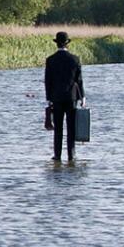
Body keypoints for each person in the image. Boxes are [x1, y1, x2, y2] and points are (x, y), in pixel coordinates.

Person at [43, 31, 84, 162]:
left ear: (57, 44)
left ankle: (57, 155)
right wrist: (82, 97)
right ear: (67, 44)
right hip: (71, 98)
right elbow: (79, 81)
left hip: (56, 98)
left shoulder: (50, 60)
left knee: (58, 129)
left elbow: (48, 81)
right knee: (71, 128)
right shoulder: (75, 59)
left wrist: (49, 98)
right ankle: (71, 155)